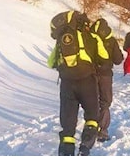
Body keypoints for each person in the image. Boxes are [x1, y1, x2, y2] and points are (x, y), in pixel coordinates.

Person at [47, 11, 109, 156]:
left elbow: (51, 63)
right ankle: (85, 147)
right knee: (92, 117)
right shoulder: (92, 37)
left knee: (68, 124)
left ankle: (66, 152)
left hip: (67, 84)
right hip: (87, 82)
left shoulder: (61, 40)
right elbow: (105, 57)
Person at [90, 18, 124, 142]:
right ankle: (102, 131)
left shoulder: (89, 37)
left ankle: (90, 128)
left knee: (91, 101)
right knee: (105, 101)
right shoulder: (111, 40)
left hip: (90, 74)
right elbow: (118, 59)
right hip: (105, 74)